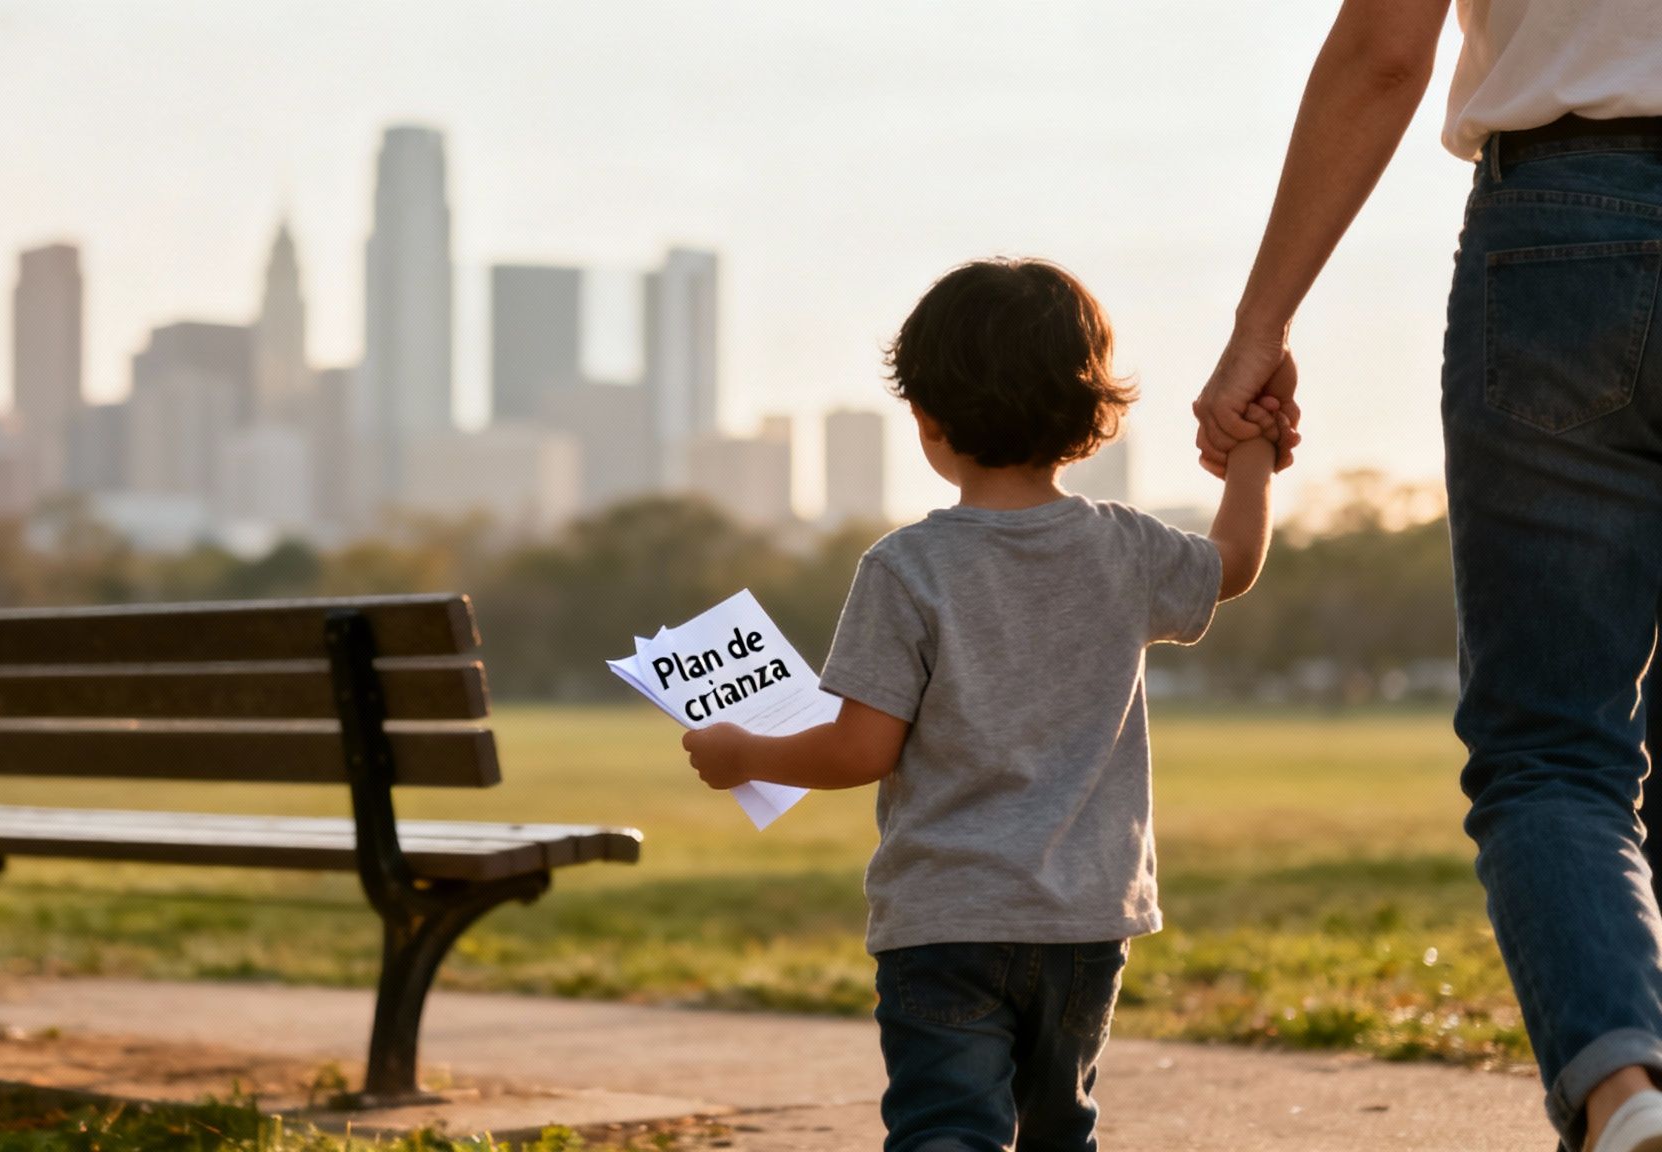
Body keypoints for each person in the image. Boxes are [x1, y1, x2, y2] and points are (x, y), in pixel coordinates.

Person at [1190, 2, 1662, 1149]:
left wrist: (1261, 323)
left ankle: (1623, 1093)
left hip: (1564, 223)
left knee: (1549, 744)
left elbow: (1383, 50)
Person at [682, 258, 1286, 1152]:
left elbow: (860, 750)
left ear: (928, 421)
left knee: (947, 1132)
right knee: (1057, 1131)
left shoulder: (905, 568)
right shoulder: (1126, 549)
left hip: (945, 920)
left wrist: (743, 754)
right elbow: (1233, 562)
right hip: (1085, 920)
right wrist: (1254, 452)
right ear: (1091, 416)